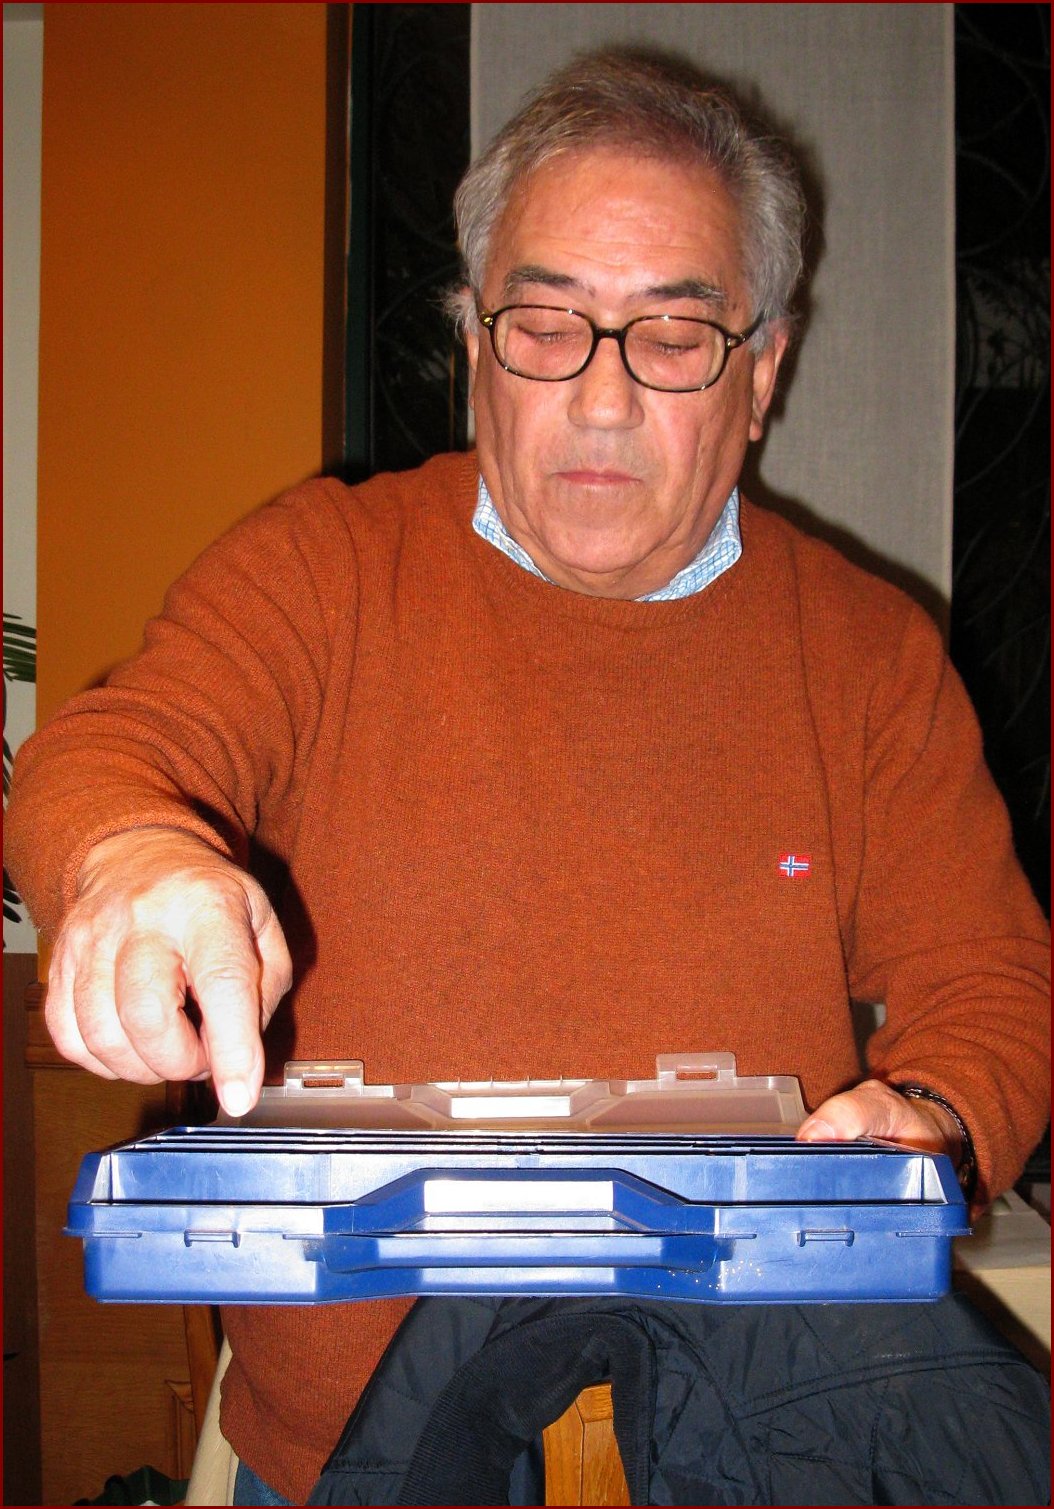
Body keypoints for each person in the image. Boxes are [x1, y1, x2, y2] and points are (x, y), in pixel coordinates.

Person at [7, 49, 1049, 1507]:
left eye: (672, 336)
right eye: (546, 326)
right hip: (342, 1462)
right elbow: (121, 747)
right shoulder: (322, 571)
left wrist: (932, 1109)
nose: (602, 398)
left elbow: (990, 976)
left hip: (750, 1459)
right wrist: (127, 853)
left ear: (762, 372)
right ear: (473, 344)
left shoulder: (868, 651)